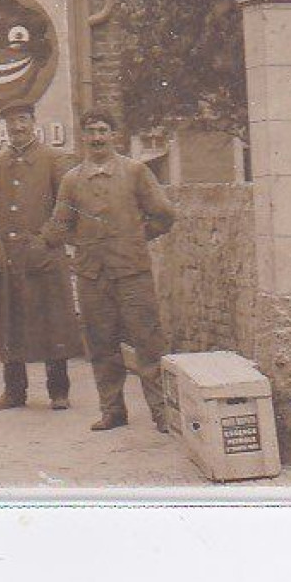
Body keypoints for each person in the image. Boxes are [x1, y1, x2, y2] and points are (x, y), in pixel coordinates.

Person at [44, 110, 177, 432]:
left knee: (148, 344)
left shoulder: (135, 172)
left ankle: (161, 413)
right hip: (92, 276)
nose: (97, 138)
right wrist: (70, 238)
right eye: (91, 131)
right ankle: (112, 410)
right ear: (84, 137)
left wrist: (137, 237)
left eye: (103, 131)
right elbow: (60, 225)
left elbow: (164, 214)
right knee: (101, 345)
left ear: (114, 135)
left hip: (133, 274)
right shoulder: (72, 180)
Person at [0, 100, 81, 411]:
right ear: (5, 128)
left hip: (44, 258)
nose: (17, 128)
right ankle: (14, 391)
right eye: (11, 122)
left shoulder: (54, 160)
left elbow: (68, 209)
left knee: (52, 325)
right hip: (8, 260)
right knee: (10, 323)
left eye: (22, 120)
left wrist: (46, 239)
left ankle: (58, 390)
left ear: (33, 122)